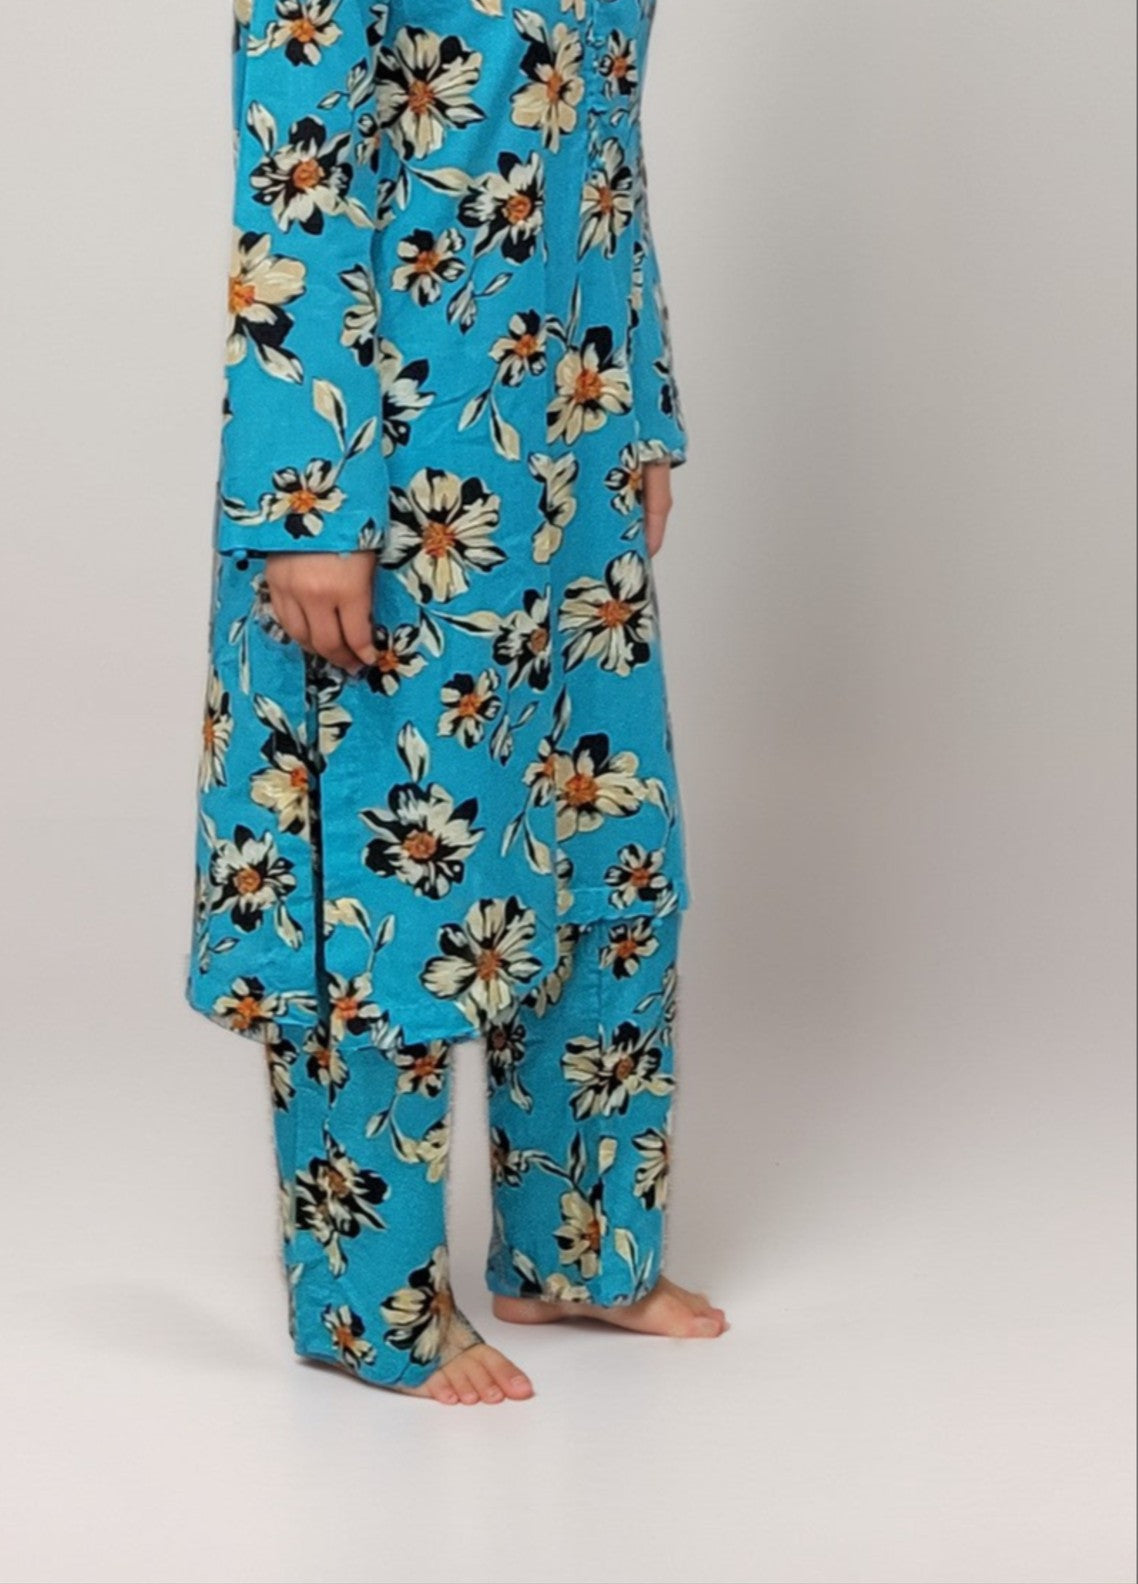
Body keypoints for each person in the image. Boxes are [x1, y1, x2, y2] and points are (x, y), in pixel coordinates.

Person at [189, 0, 727, 1406]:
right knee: (398, 868)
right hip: (395, 453)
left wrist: (640, 403)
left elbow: (605, 138)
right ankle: (370, 1307)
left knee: (605, 843)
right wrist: (309, 501)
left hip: (568, 429)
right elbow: (297, 166)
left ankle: (578, 1254)